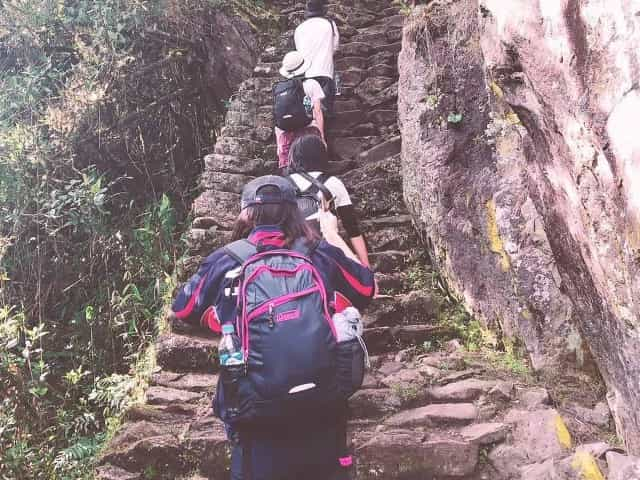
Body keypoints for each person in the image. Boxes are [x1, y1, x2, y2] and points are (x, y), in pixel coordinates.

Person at [171, 176, 375, 480]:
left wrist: (220, 318)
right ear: (295, 211)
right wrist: (332, 235)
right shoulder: (317, 251)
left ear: (246, 214)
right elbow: (366, 287)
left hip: (255, 409)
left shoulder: (227, 259)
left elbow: (183, 307)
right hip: (322, 404)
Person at [287, 134, 370, 267]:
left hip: (290, 256)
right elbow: (352, 228)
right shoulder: (333, 183)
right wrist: (366, 267)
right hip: (325, 254)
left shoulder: (283, 184)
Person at [275, 51, 326, 171]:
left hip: (286, 134)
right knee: (313, 168)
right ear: (303, 68)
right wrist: (322, 137)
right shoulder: (312, 84)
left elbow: (278, 117)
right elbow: (318, 111)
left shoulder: (279, 89)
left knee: (289, 171)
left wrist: (279, 145)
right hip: (308, 130)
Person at [294, 0, 339, 115]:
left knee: (309, 109)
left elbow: (298, 51)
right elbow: (335, 47)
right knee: (325, 108)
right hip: (325, 71)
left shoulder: (299, 28)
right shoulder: (329, 23)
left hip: (306, 74)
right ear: (322, 10)